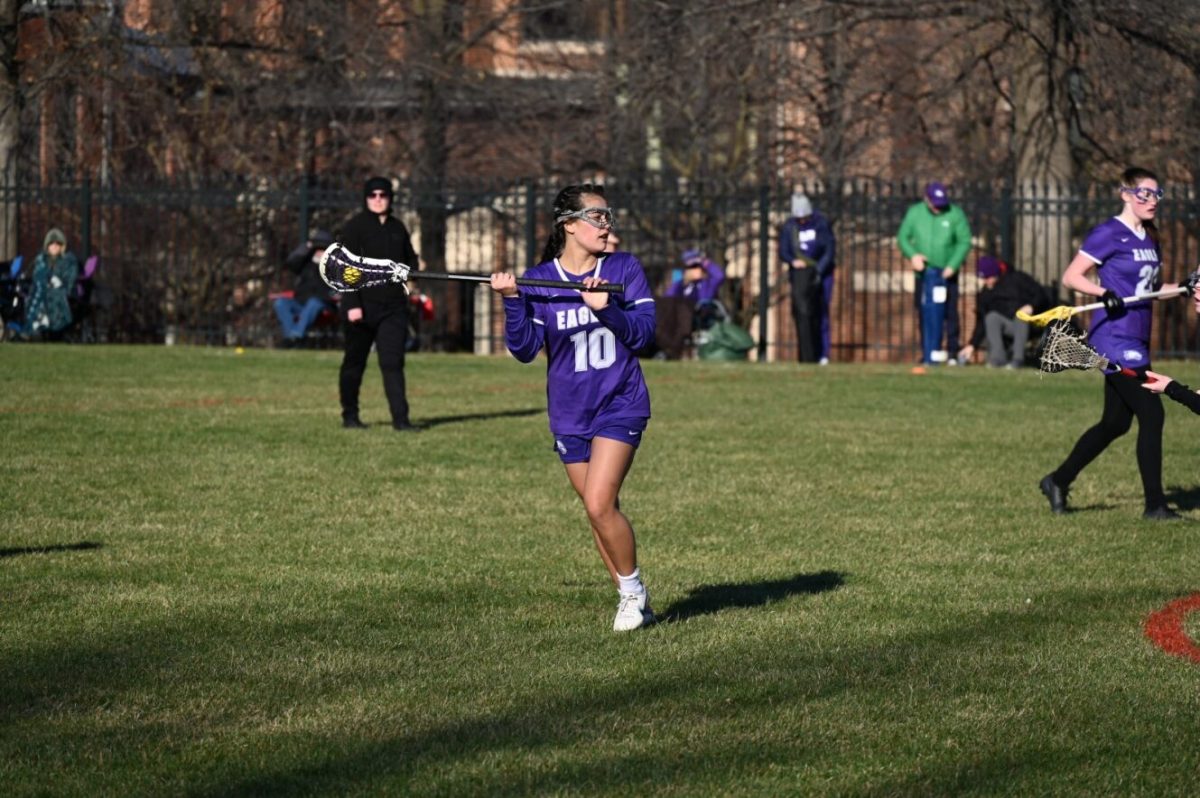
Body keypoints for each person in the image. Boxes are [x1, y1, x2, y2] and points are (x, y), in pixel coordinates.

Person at [488, 183, 657, 632]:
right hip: (569, 411)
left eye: (608, 217)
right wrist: (511, 301)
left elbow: (643, 335)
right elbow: (524, 349)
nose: (607, 226)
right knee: (598, 511)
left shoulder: (624, 268)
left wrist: (605, 309)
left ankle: (632, 592)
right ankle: (632, 597)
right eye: (597, 217)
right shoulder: (539, 280)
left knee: (600, 504)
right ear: (569, 225)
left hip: (621, 401)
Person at [1039, 166, 1180, 521]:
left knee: (1115, 423)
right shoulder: (1108, 233)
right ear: (1125, 194)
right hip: (1112, 339)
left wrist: (1184, 287)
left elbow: (1148, 291)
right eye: (1143, 193)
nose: (1152, 200)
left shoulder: (1149, 238)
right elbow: (1072, 276)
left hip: (1136, 337)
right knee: (1152, 413)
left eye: (1156, 193)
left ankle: (1057, 480)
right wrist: (1104, 292)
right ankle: (1155, 506)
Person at [337, 176, 420, 431]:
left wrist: (410, 272)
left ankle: (401, 420)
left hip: (393, 307)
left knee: (392, 363)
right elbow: (346, 269)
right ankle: (350, 416)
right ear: (365, 198)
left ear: (390, 198)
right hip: (361, 306)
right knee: (355, 362)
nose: (378, 200)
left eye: (382, 195)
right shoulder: (354, 227)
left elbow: (410, 263)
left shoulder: (398, 227)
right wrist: (352, 304)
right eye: (372, 195)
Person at [897, 181, 972, 365]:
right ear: (926, 200)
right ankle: (930, 351)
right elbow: (902, 237)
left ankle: (952, 352)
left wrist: (952, 265)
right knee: (924, 312)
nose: (938, 208)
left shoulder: (955, 214)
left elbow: (964, 241)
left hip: (947, 274)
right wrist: (913, 256)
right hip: (924, 275)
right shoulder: (915, 213)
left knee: (950, 313)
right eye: (935, 204)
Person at [957, 255, 1047, 368]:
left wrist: (1031, 306)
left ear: (995, 274)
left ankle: (1017, 359)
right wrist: (972, 345)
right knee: (991, 317)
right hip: (1008, 326)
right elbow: (981, 321)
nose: (986, 281)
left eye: (988, 277)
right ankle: (998, 359)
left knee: (1020, 315)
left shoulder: (1018, 279)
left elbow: (1040, 294)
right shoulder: (986, 293)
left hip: (1030, 324)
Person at [779, 192, 836, 364]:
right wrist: (792, 261)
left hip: (820, 273)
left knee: (821, 312)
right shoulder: (790, 227)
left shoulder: (820, 224)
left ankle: (823, 353)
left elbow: (829, 249)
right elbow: (784, 251)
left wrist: (818, 270)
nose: (802, 221)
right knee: (803, 313)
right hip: (800, 276)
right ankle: (807, 353)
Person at [655, 249, 724, 359]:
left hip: (698, 312)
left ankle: (671, 349)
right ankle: (663, 347)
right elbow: (667, 300)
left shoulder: (707, 284)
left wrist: (705, 262)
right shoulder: (679, 286)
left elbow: (719, 276)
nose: (697, 270)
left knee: (682, 309)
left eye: (698, 267)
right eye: (692, 267)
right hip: (677, 316)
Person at [274, 229, 336, 347]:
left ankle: (296, 336)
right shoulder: (305, 263)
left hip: (321, 306)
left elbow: (337, 291)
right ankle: (291, 338)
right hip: (300, 302)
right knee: (280, 303)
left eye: (323, 249)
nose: (319, 252)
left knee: (313, 302)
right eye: (317, 249)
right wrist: (306, 247)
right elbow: (291, 262)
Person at [22, 228, 79, 341]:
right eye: (51, 243)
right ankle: (35, 324)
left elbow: (69, 282)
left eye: (58, 243)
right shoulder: (40, 261)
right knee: (35, 297)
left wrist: (57, 283)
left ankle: (44, 323)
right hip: (40, 293)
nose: (54, 246)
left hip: (61, 294)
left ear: (62, 246)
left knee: (50, 297)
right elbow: (36, 279)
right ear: (47, 245)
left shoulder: (68, 261)